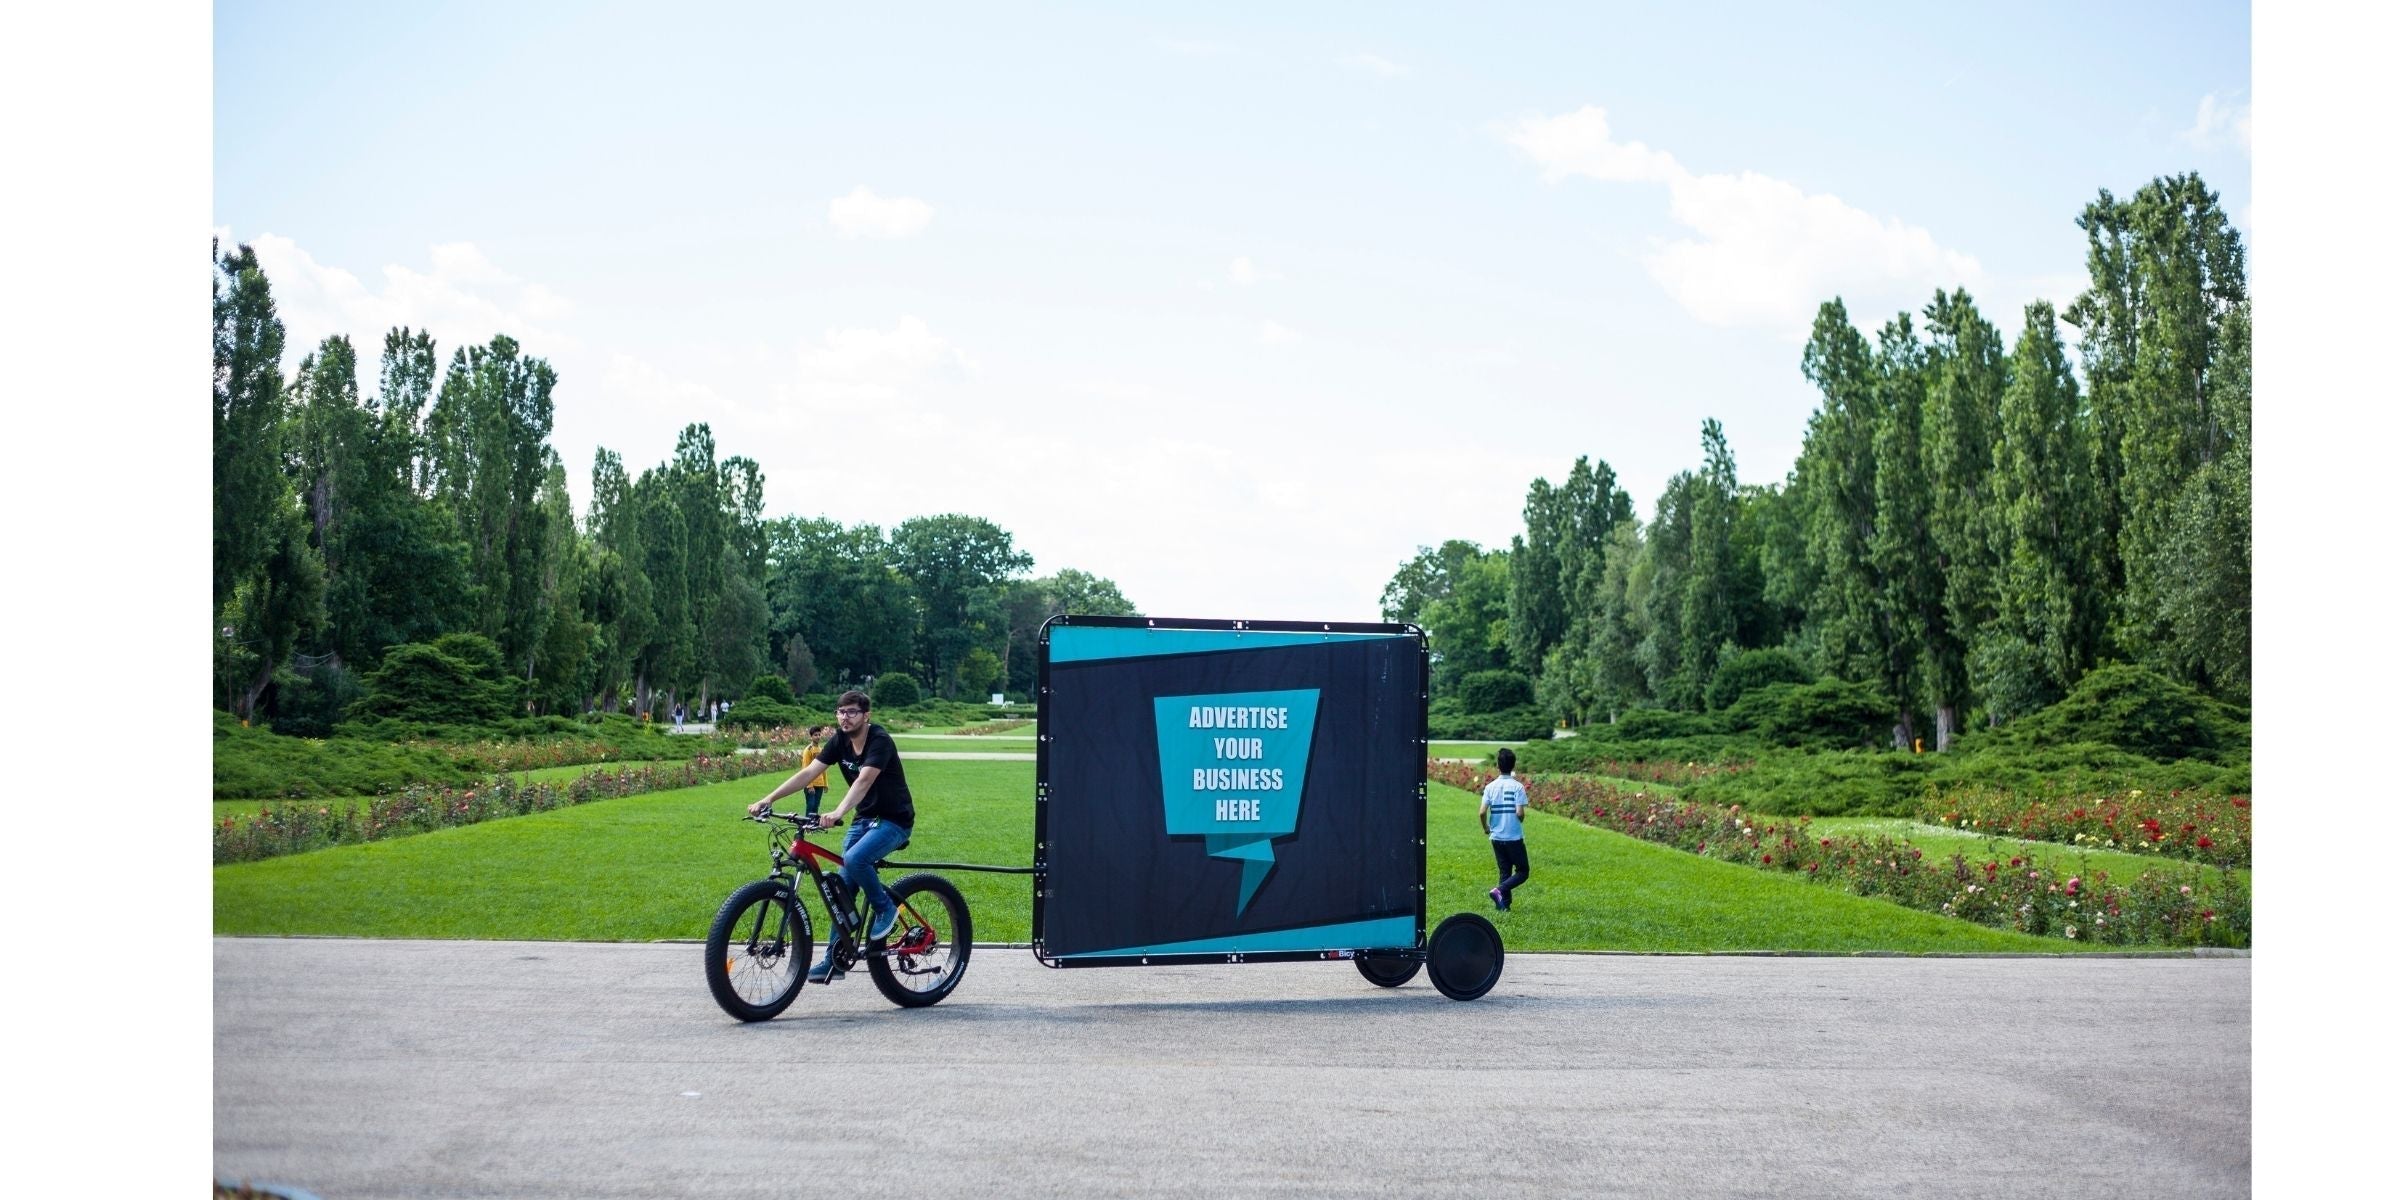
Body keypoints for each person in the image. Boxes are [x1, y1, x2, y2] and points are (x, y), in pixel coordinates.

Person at [748, 691, 916, 982]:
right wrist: (769, 799)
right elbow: (809, 772)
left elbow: (864, 780)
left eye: (851, 712)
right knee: (840, 891)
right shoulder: (839, 740)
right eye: (840, 712)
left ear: (866, 716)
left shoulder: (879, 740)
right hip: (865, 820)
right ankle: (834, 960)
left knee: (854, 859)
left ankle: (885, 909)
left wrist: (838, 811)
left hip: (893, 820)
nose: (844, 717)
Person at [1480, 748, 1531, 911]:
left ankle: (1504, 906)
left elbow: (1482, 812)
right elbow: (1519, 812)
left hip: (1496, 836)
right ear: (1513, 765)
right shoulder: (1518, 787)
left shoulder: (1490, 787)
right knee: (1523, 871)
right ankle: (1499, 890)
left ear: (1498, 765)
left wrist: (1486, 827)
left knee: (1505, 870)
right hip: (1513, 836)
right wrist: (1521, 818)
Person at [797, 724, 831, 815]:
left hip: (820, 784)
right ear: (811, 736)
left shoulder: (821, 750)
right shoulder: (808, 750)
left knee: (816, 806)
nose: (818, 737)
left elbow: (823, 768)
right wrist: (809, 785)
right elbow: (805, 767)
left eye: (819, 734)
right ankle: (807, 826)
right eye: (815, 735)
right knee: (810, 805)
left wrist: (825, 783)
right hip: (810, 784)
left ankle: (813, 826)